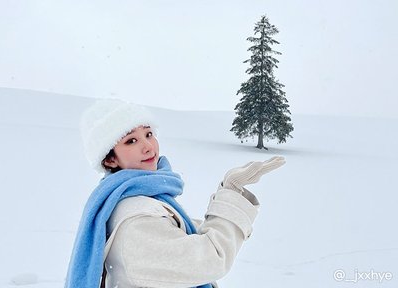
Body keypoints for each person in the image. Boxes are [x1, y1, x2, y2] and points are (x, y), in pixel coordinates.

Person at [65, 99, 286, 288]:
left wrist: (230, 195)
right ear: (110, 159)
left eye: (149, 134)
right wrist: (232, 196)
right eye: (131, 140)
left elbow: (183, 234)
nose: (149, 147)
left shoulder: (134, 200)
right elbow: (209, 259)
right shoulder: (136, 218)